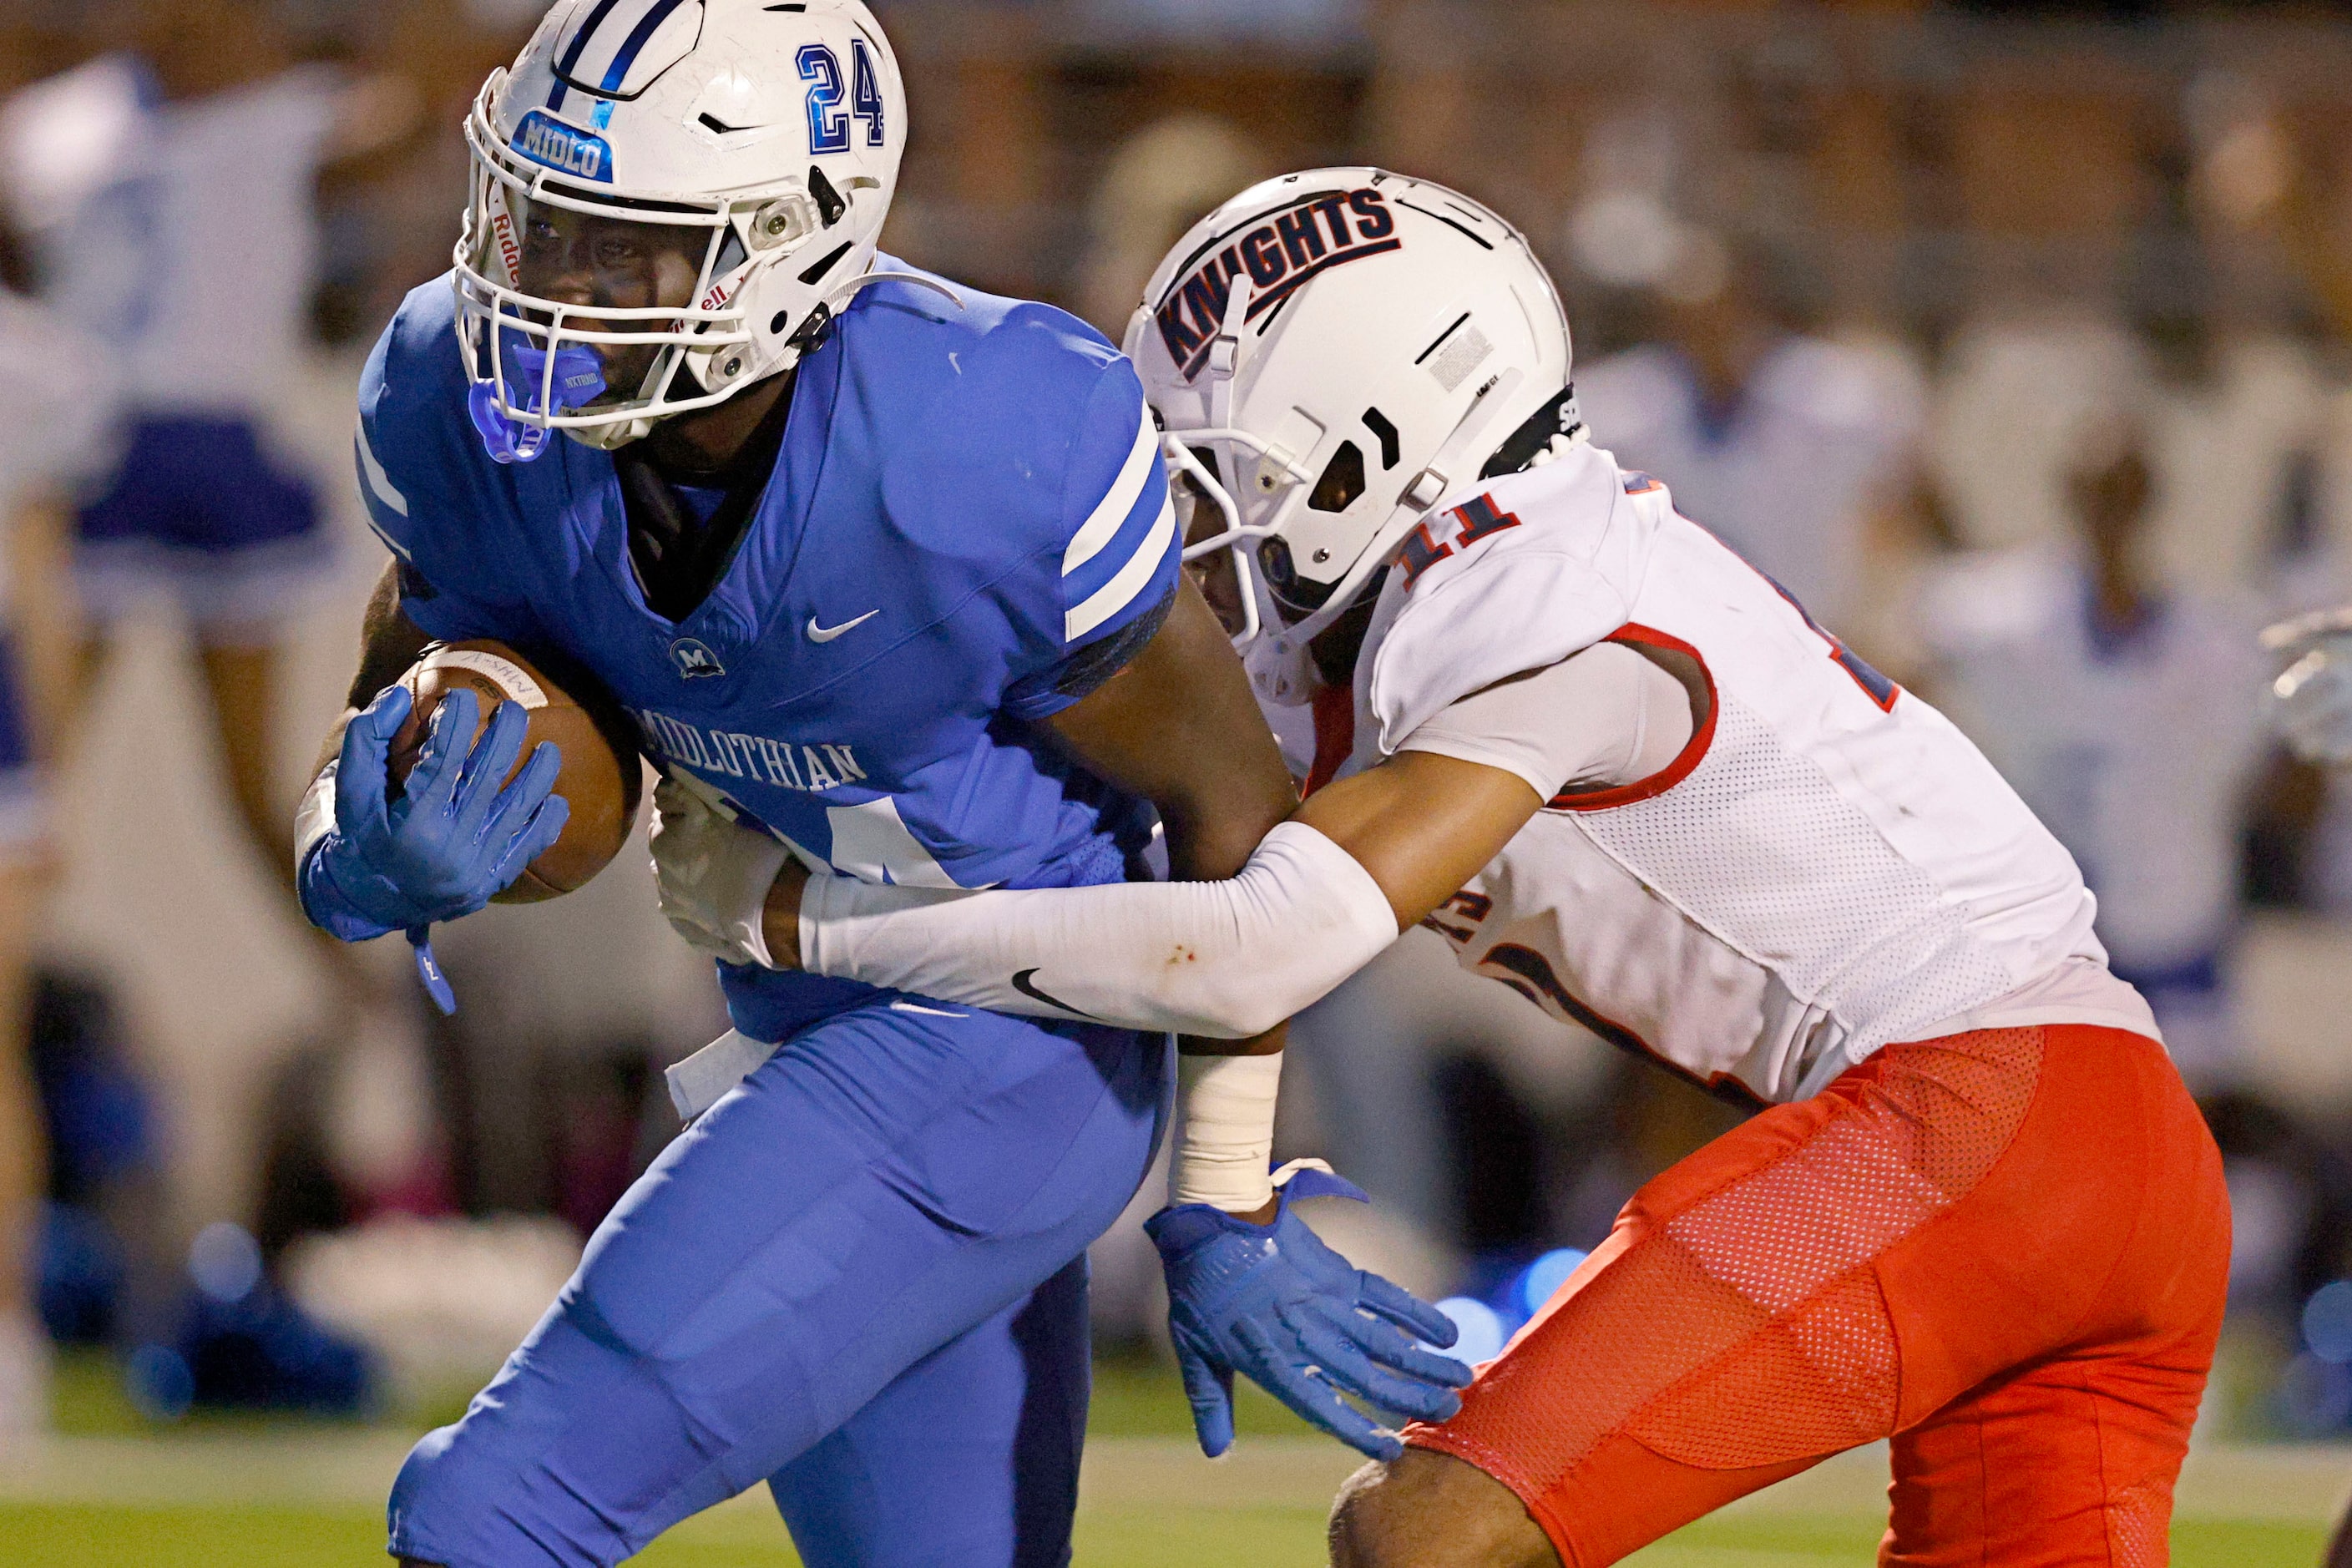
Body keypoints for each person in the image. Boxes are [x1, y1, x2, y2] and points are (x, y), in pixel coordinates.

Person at [694, 169, 2233, 1567]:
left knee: (1427, 1539)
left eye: (1216, 469)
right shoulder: (1452, 604)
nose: (1186, 522)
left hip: (1974, 1115)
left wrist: (812, 922)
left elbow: (1255, 935)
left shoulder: (1526, 595)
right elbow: (1194, 866)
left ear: (1372, 445)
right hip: (2117, 1150)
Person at [301, 8, 1464, 1566]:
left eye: (620, 247)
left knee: (490, 1507)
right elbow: (389, 698)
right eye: (539, 218)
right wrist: (350, 854)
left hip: (1010, 1047)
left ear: (788, 246)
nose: (547, 288)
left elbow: (1235, 808)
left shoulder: (976, 441)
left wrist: (1223, 1188)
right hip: (793, 1015)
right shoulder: (463, 399)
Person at [1922, 418, 2269, 1090]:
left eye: (2125, 488)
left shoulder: (2218, 644)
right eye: (2096, 487)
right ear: (2068, 491)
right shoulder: (1986, 619)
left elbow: (2272, 781)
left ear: (2151, 497)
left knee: (2180, 1139)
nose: (2110, 506)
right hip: (2036, 944)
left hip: (2173, 930)